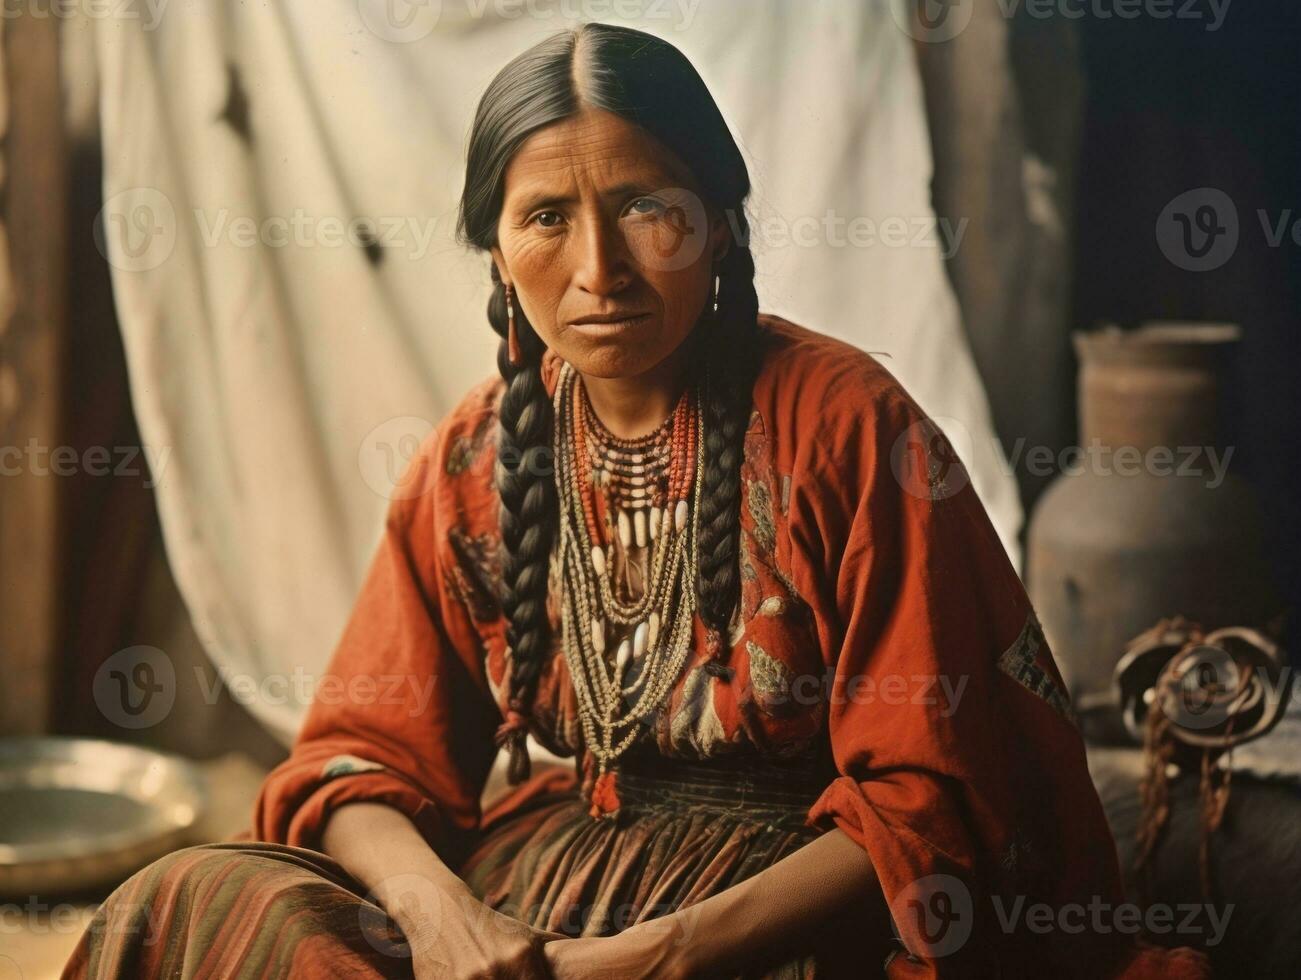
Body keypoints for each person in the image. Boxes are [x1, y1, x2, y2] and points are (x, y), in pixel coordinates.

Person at [64, 23, 1212, 980]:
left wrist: (652, 957)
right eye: (546, 217)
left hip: (783, 911)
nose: (599, 269)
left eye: (646, 208)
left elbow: (934, 798)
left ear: (717, 227)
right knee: (188, 899)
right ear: (496, 250)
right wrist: (441, 915)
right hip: (545, 891)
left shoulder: (845, 425)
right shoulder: (475, 456)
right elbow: (356, 761)